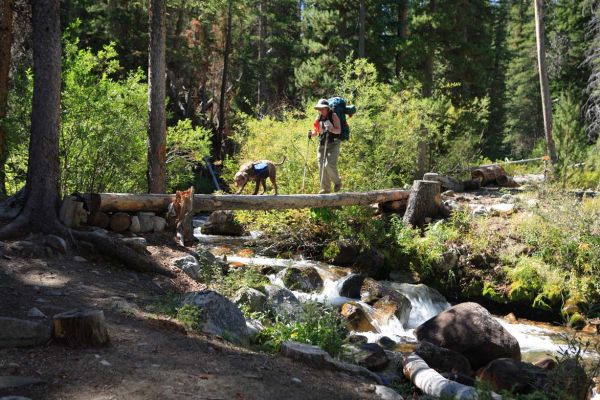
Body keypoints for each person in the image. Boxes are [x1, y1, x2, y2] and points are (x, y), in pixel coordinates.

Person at [309, 98, 343, 194]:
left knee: (329, 164)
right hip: (322, 144)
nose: (321, 110)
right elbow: (316, 132)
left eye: (322, 108)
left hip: (334, 143)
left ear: (327, 108)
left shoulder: (334, 116)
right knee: (321, 166)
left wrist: (331, 129)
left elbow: (339, 130)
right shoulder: (318, 118)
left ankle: (337, 182)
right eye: (319, 109)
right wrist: (311, 133)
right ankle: (325, 189)